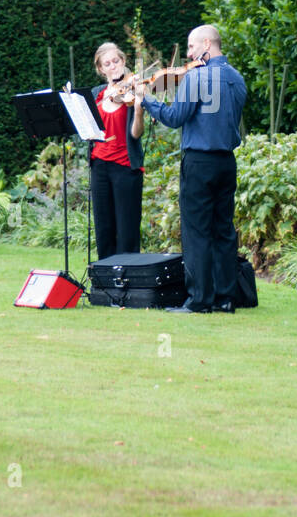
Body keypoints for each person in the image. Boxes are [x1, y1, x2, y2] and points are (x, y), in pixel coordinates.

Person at [139, 25, 246, 313]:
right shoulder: (237, 79)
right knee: (223, 230)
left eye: (191, 46)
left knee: (197, 231)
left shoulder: (197, 76)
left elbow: (175, 117)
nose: (188, 54)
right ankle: (225, 298)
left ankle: (199, 300)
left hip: (199, 162)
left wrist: (146, 100)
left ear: (207, 44)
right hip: (226, 162)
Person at [88, 41, 146, 260]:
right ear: (101, 69)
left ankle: (129, 283)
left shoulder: (133, 89)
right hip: (99, 166)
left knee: (127, 229)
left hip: (125, 166)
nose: (113, 66)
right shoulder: (97, 94)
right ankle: (105, 282)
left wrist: (139, 111)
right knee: (104, 228)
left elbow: (136, 134)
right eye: (107, 63)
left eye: (116, 61)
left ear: (123, 61)